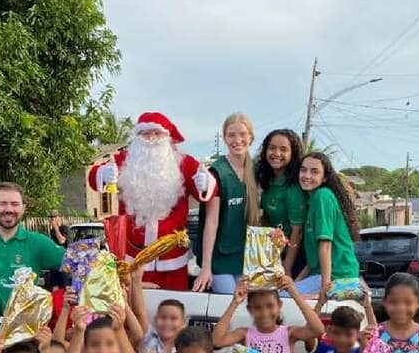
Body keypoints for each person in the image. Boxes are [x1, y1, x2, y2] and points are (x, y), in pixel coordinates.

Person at [89, 112, 214, 290]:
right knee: (135, 312)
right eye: (146, 133)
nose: (152, 138)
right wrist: (102, 174)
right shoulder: (124, 161)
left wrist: (205, 184)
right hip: (133, 261)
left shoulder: (184, 163)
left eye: (157, 133)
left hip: (172, 261)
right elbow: (94, 178)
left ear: (167, 137)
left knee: (172, 312)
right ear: (137, 138)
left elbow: (209, 191)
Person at [194, 113, 261, 294]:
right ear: (224, 138)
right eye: (231, 135)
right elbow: (211, 222)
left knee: (250, 309)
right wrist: (206, 268)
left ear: (251, 138)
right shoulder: (218, 172)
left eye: (242, 134)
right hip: (221, 260)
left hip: (246, 259)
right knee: (232, 302)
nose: (237, 140)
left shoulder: (257, 172)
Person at [294, 152, 361, 296]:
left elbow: (325, 245)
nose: (307, 175)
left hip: (338, 278)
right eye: (303, 170)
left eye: (314, 171)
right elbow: (314, 260)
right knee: (285, 293)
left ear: (324, 177)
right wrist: (296, 282)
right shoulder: (312, 200)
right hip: (325, 275)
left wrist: (325, 289)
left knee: (280, 298)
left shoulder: (322, 196)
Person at [256, 129, 307, 277]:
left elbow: (297, 232)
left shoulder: (294, 187)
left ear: (293, 154)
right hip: (272, 255)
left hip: (293, 258)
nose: (276, 153)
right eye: (272, 148)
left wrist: (287, 268)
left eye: (283, 149)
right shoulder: (267, 179)